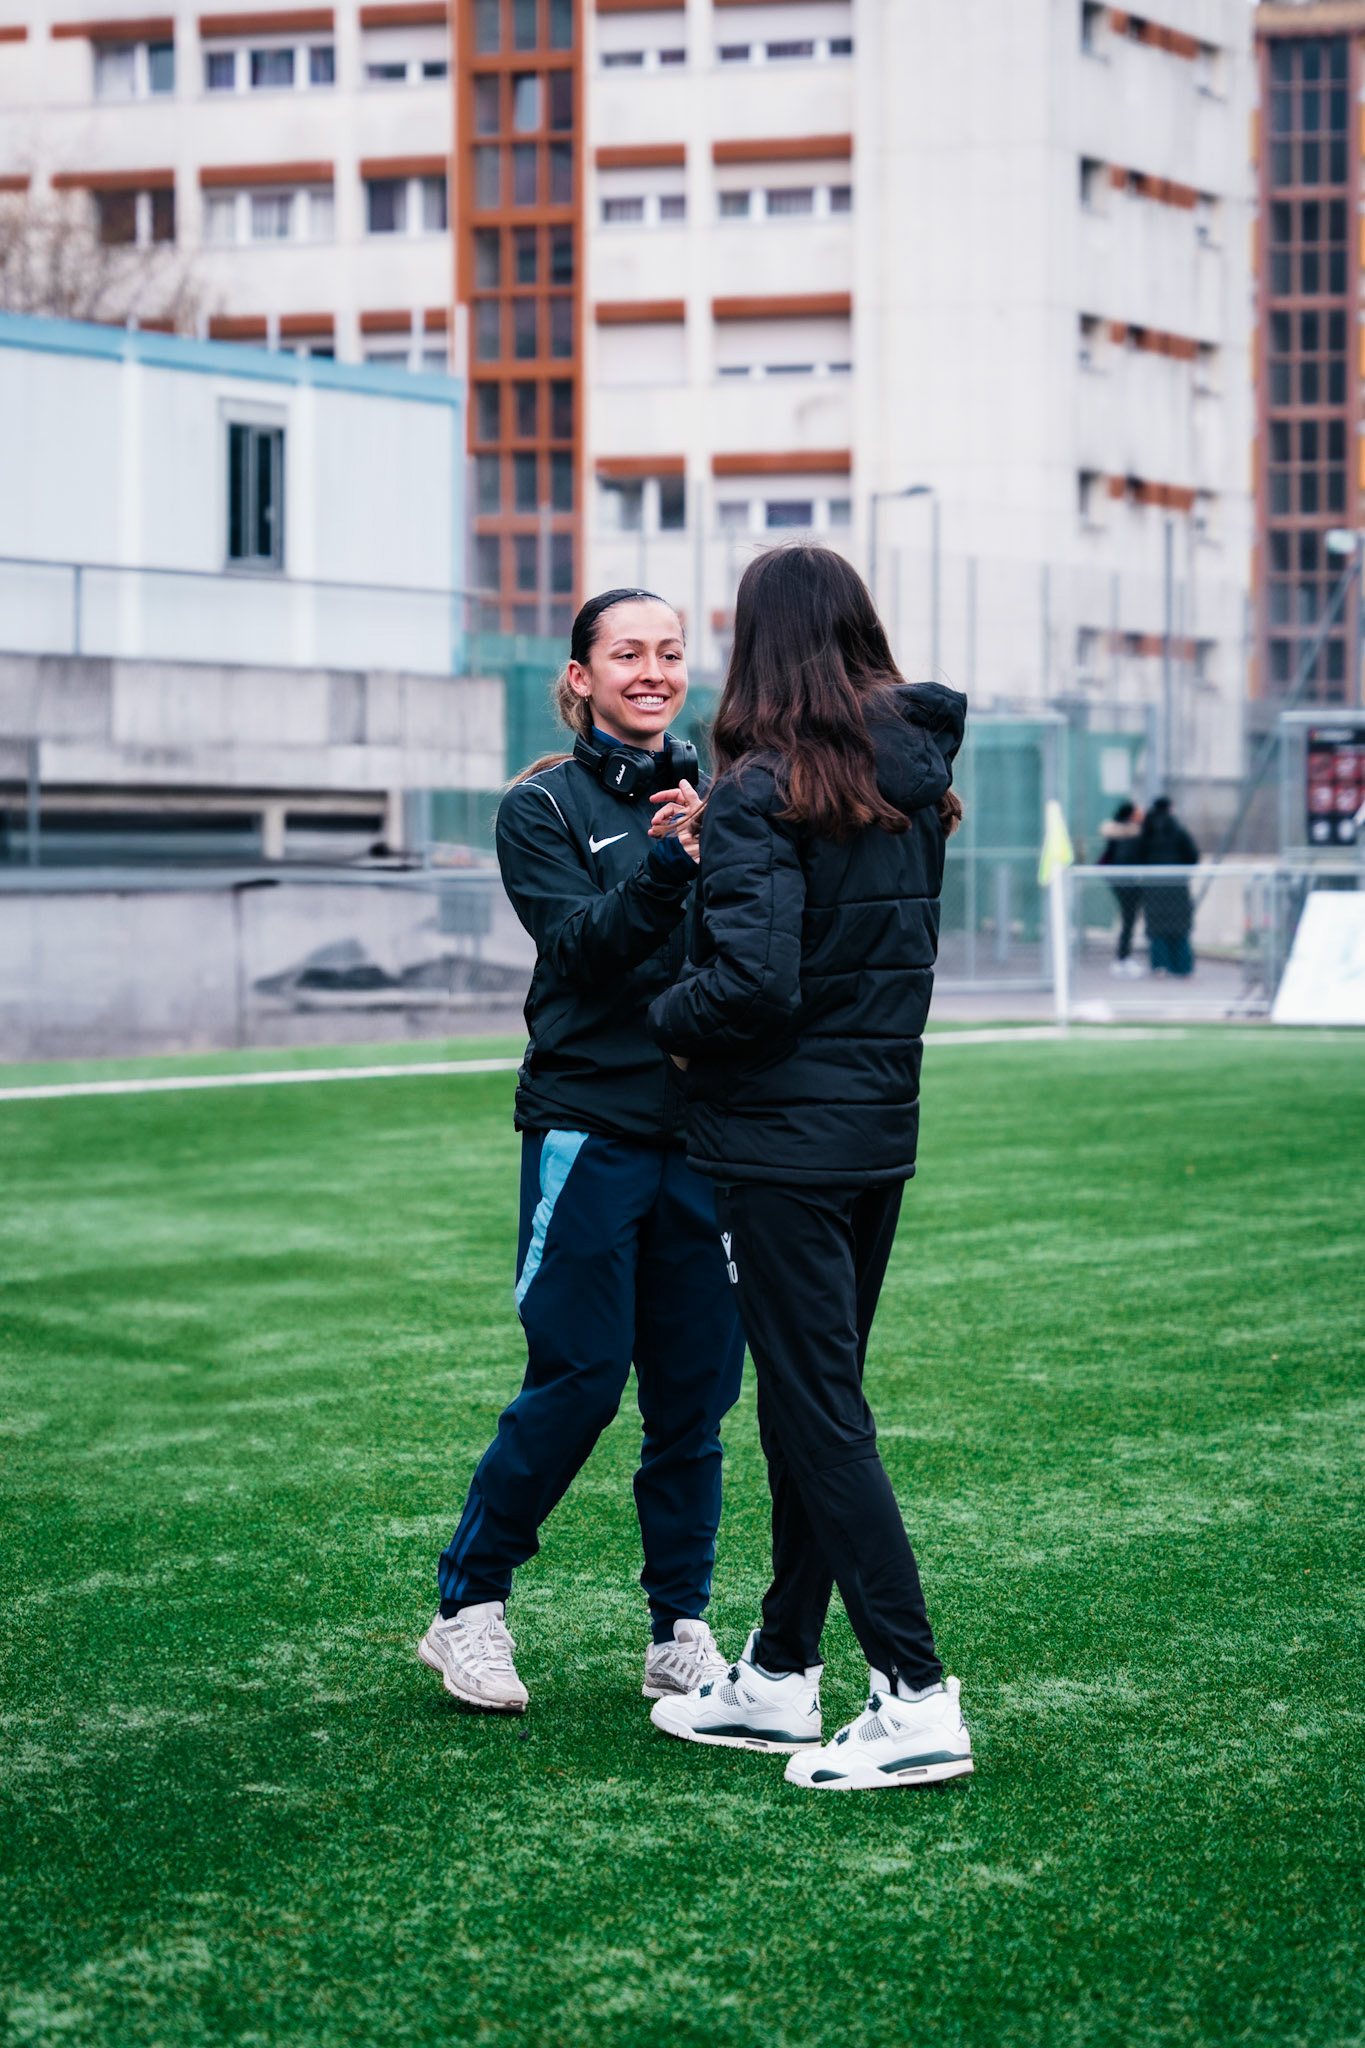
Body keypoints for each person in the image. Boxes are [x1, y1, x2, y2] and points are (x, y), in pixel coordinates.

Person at [644, 545, 974, 1793]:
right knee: (806, 1400)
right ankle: (780, 1672)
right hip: (874, 1132)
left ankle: (917, 1693)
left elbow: (754, 984)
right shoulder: (909, 779)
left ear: (757, 645)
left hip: (780, 1144)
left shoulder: (759, 787)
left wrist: (664, 1017)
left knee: (820, 1411)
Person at [418, 589, 746, 1714]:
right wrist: (666, 868)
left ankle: (681, 1630)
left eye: (668, 652)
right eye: (626, 653)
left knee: (695, 1397)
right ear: (581, 676)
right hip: (590, 1130)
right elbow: (580, 951)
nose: (651, 671)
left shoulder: (726, 796)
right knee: (580, 1376)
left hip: (709, 1143)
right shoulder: (542, 807)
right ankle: (467, 1606)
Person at [1136, 795, 1199, 977]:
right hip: (1176, 885)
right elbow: (1192, 856)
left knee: (1157, 928)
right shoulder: (1178, 830)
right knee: (1180, 927)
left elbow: (1138, 856)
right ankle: (1183, 967)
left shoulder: (1146, 831)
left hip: (1152, 886)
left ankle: (1160, 966)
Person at [1098, 800, 1144, 977]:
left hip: (1121, 881)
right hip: (1126, 882)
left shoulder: (1117, 833)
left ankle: (1123, 957)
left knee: (1128, 919)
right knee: (1129, 919)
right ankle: (1123, 958)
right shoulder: (1129, 835)